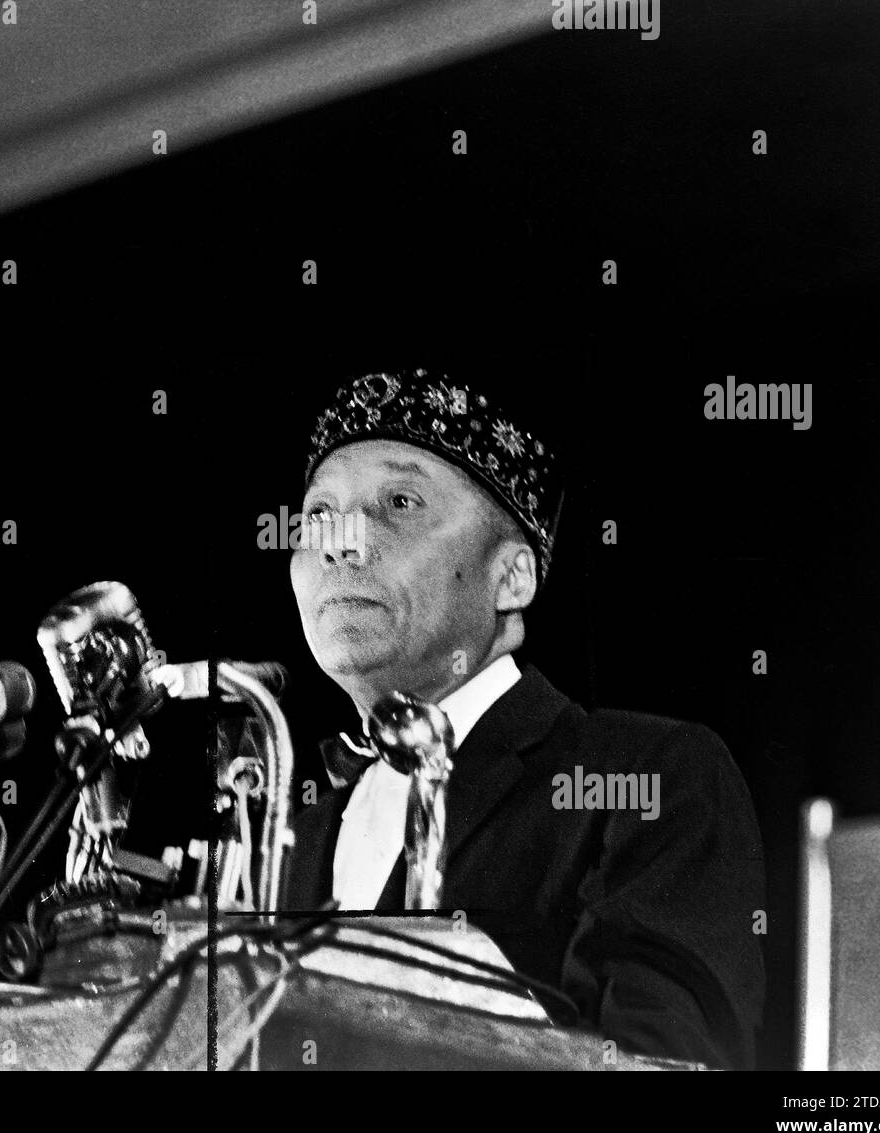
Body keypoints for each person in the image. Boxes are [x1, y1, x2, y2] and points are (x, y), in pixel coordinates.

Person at [282, 369, 766, 1069]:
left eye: (399, 501)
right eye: (317, 517)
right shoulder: (294, 842)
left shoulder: (650, 774)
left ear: (512, 577)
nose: (341, 543)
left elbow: (669, 1060)